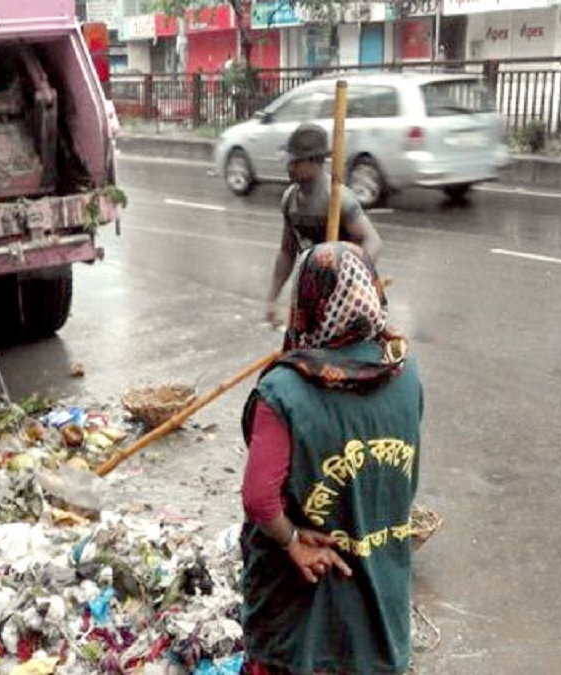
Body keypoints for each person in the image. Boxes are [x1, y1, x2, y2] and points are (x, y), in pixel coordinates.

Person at [241, 242, 423, 674]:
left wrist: (291, 541)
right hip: (381, 593)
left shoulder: (284, 392)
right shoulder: (404, 371)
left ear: (307, 303)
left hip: (303, 611)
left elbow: (259, 499)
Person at [266, 123, 383, 326]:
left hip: (345, 300)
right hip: (311, 294)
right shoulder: (290, 200)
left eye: (296, 162)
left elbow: (373, 241)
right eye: (289, 161)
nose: (290, 167)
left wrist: (353, 284)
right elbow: (287, 252)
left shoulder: (338, 199)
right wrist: (272, 298)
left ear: (315, 162)